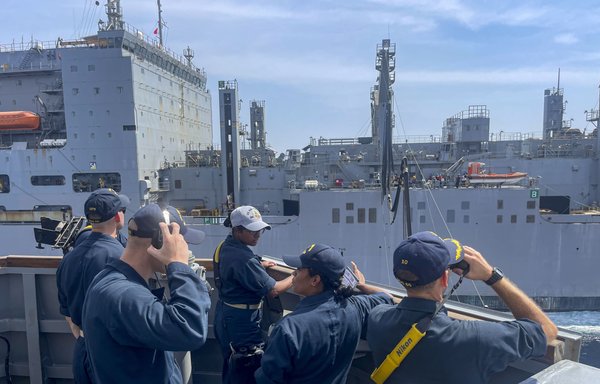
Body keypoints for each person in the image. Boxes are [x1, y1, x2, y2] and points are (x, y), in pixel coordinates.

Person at [367, 231, 558, 384]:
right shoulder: (475, 338)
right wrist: (492, 276)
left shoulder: (377, 319)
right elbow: (548, 331)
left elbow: (386, 302)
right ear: (445, 278)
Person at [81, 203, 210, 383]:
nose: (185, 250)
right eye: (181, 243)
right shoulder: (124, 296)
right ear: (159, 241)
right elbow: (190, 331)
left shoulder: (111, 279)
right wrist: (178, 266)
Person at [254, 243, 394, 384]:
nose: (293, 273)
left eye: (299, 269)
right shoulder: (356, 307)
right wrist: (360, 285)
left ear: (315, 280)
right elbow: (387, 297)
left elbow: (268, 379)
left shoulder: (289, 328)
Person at [56, 187, 129, 383]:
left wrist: (84, 336)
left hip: (82, 348)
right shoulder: (122, 258)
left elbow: (67, 312)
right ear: (117, 217)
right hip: (113, 352)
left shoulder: (68, 259)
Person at [213, 205, 294, 384]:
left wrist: (258, 265)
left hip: (226, 315)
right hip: (242, 322)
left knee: (231, 363)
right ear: (237, 230)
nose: (257, 235)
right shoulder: (243, 258)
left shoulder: (225, 247)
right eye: (253, 231)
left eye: (260, 231)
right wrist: (296, 277)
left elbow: (235, 268)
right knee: (246, 366)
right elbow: (273, 290)